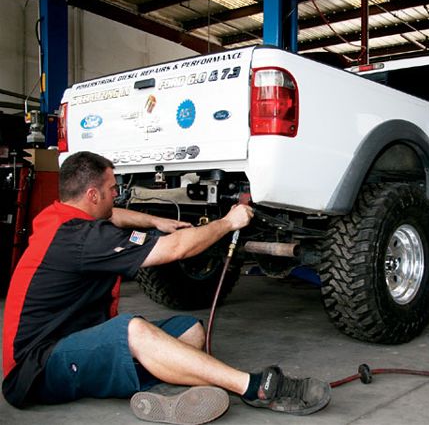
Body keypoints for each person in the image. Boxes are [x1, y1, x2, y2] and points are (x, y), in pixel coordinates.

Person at [2, 151, 331, 424]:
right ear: (92, 195)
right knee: (133, 330)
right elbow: (177, 250)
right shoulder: (82, 238)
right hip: (34, 370)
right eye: (112, 188)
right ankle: (253, 387)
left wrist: (156, 221)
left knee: (191, 331)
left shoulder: (60, 217)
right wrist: (228, 222)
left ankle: (170, 389)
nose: (116, 193)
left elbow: (114, 214)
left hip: (69, 342)